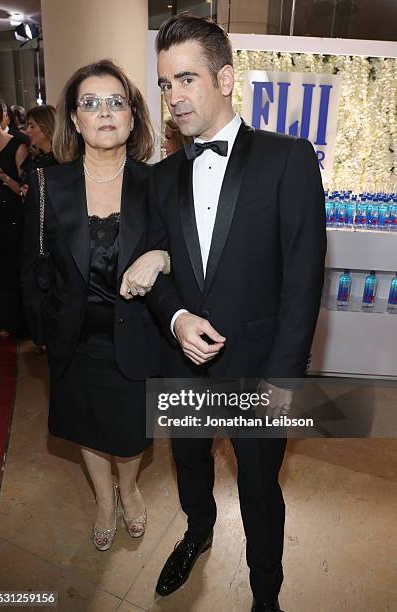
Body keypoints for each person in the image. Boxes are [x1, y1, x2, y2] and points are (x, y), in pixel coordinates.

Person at [132, 15, 326, 612]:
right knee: (188, 462)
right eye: (165, 84)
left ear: (225, 78)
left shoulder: (288, 159)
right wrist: (174, 319)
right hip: (183, 364)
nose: (175, 96)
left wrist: (282, 381)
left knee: (261, 491)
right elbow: (156, 270)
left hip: (260, 369)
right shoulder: (161, 177)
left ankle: (265, 592)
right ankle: (196, 534)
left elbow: (302, 282)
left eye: (186, 79)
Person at [21, 59, 169, 551]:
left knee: (129, 434)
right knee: (87, 426)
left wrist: (161, 255)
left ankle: (129, 489)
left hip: (136, 336)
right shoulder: (47, 185)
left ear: (132, 116)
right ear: (76, 119)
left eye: (115, 102)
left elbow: (184, 257)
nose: (104, 112)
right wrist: (43, 330)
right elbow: (31, 266)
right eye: (91, 103)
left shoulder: (158, 185)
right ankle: (104, 499)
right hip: (74, 338)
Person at [0, 94, 28, 337]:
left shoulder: (18, 144)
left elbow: (22, 190)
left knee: (8, 272)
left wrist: (2, 177)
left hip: (10, 218)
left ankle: (11, 323)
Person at [20, 105, 58, 191]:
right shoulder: (35, 157)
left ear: (47, 127)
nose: (27, 130)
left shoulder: (60, 161)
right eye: (28, 126)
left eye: (32, 126)